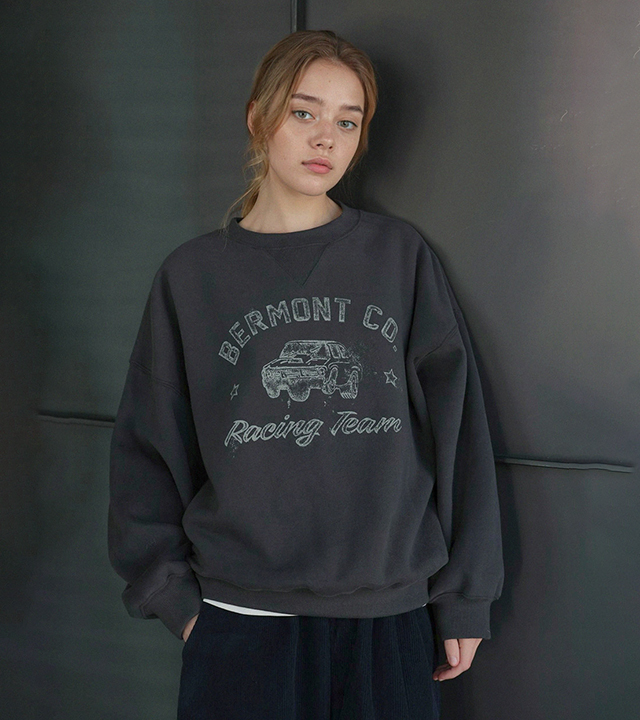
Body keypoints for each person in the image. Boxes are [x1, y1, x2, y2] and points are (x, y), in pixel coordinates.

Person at [108, 29, 504, 719]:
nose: (326, 138)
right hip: (240, 622)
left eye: (348, 121)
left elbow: (458, 433)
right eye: (303, 112)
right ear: (258, 117)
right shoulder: (192, 277)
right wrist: (179, 603)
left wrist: (465, 597)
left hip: (388, 619)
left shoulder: (398, 258)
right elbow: (147, 449)